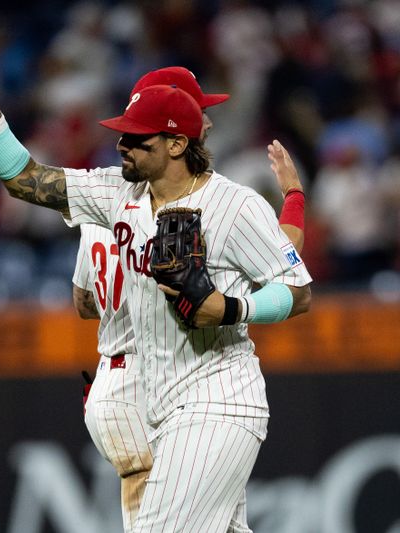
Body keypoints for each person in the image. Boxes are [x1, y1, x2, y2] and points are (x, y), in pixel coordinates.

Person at [0, 31, 312, 532]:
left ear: (177, 143)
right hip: (157, 406)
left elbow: (297, 290)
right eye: (122, 133)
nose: (122, 143)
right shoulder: (116, 191)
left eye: (137, 138)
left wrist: (229, 309)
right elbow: (24, 178)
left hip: (218, 400)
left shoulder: (236, 205)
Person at [71, 67, 308, 530]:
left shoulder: (106, 201)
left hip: (116, 377)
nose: (207, 120)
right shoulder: (180, 205)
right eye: (198, 109)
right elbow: (282, 262)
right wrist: (295, 197)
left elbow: (83, 302)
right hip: (157, 381)